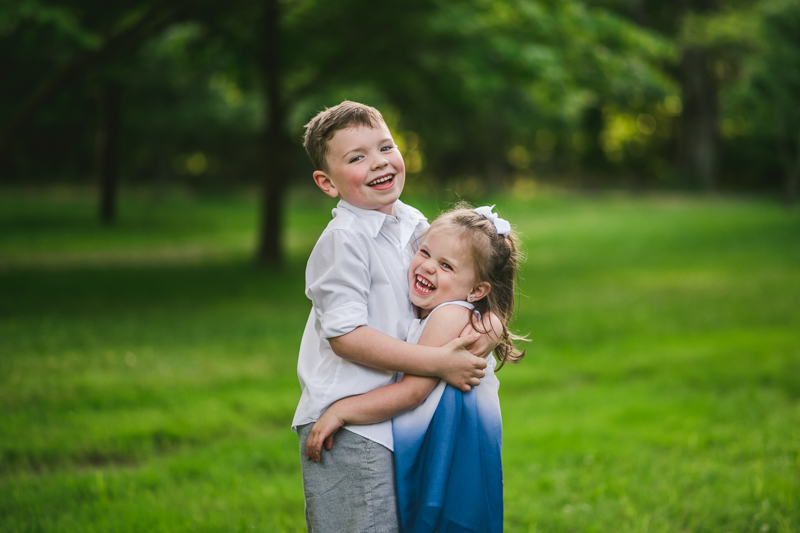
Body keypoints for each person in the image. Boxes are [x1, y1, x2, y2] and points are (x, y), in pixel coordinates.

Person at [292, 101, 499, 533]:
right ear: (326, 183)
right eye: (357, 157)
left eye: (385, 147)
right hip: (346, 420)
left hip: (398, 417)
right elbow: (346, 337)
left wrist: (492, 326)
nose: (378, 162)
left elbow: (463, 288)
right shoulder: (344, 240)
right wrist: (438, 363)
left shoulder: (413, 223)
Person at [306, 204, 526, 533]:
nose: (427, 267)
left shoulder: (447, 316)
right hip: (458, 455)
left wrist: (341, 410)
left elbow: (412, 392)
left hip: (450, 454)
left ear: (477, 290)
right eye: (424, 252)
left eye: (446, 266)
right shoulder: (456, 312)